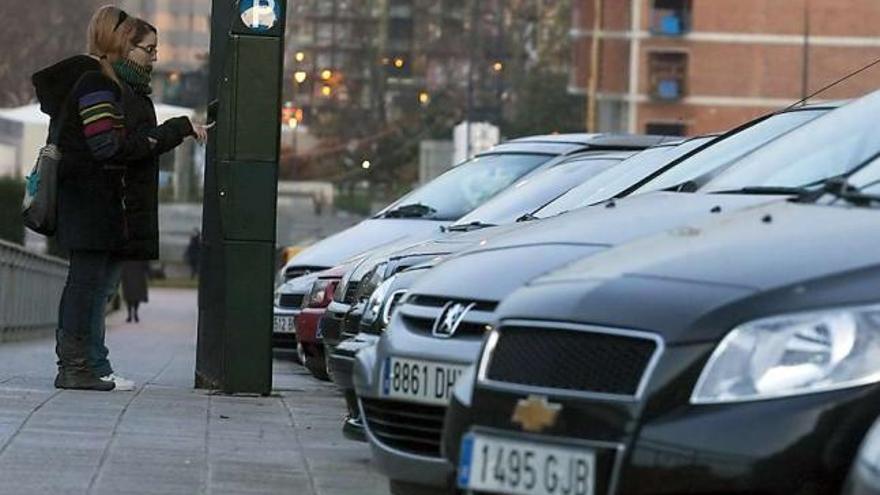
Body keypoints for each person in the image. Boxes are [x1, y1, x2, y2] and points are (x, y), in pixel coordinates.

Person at [33, 6, 210, 391]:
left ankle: (92, 365)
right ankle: (78, 366)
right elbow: (106, 146)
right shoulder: (97, 85)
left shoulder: (111, 85)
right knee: (86, 287)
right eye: (148, 49)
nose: (154, 57)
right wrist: (164, 134)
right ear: (122, 45)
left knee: (97, 288)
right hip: (92, 203)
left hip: (103, 205)